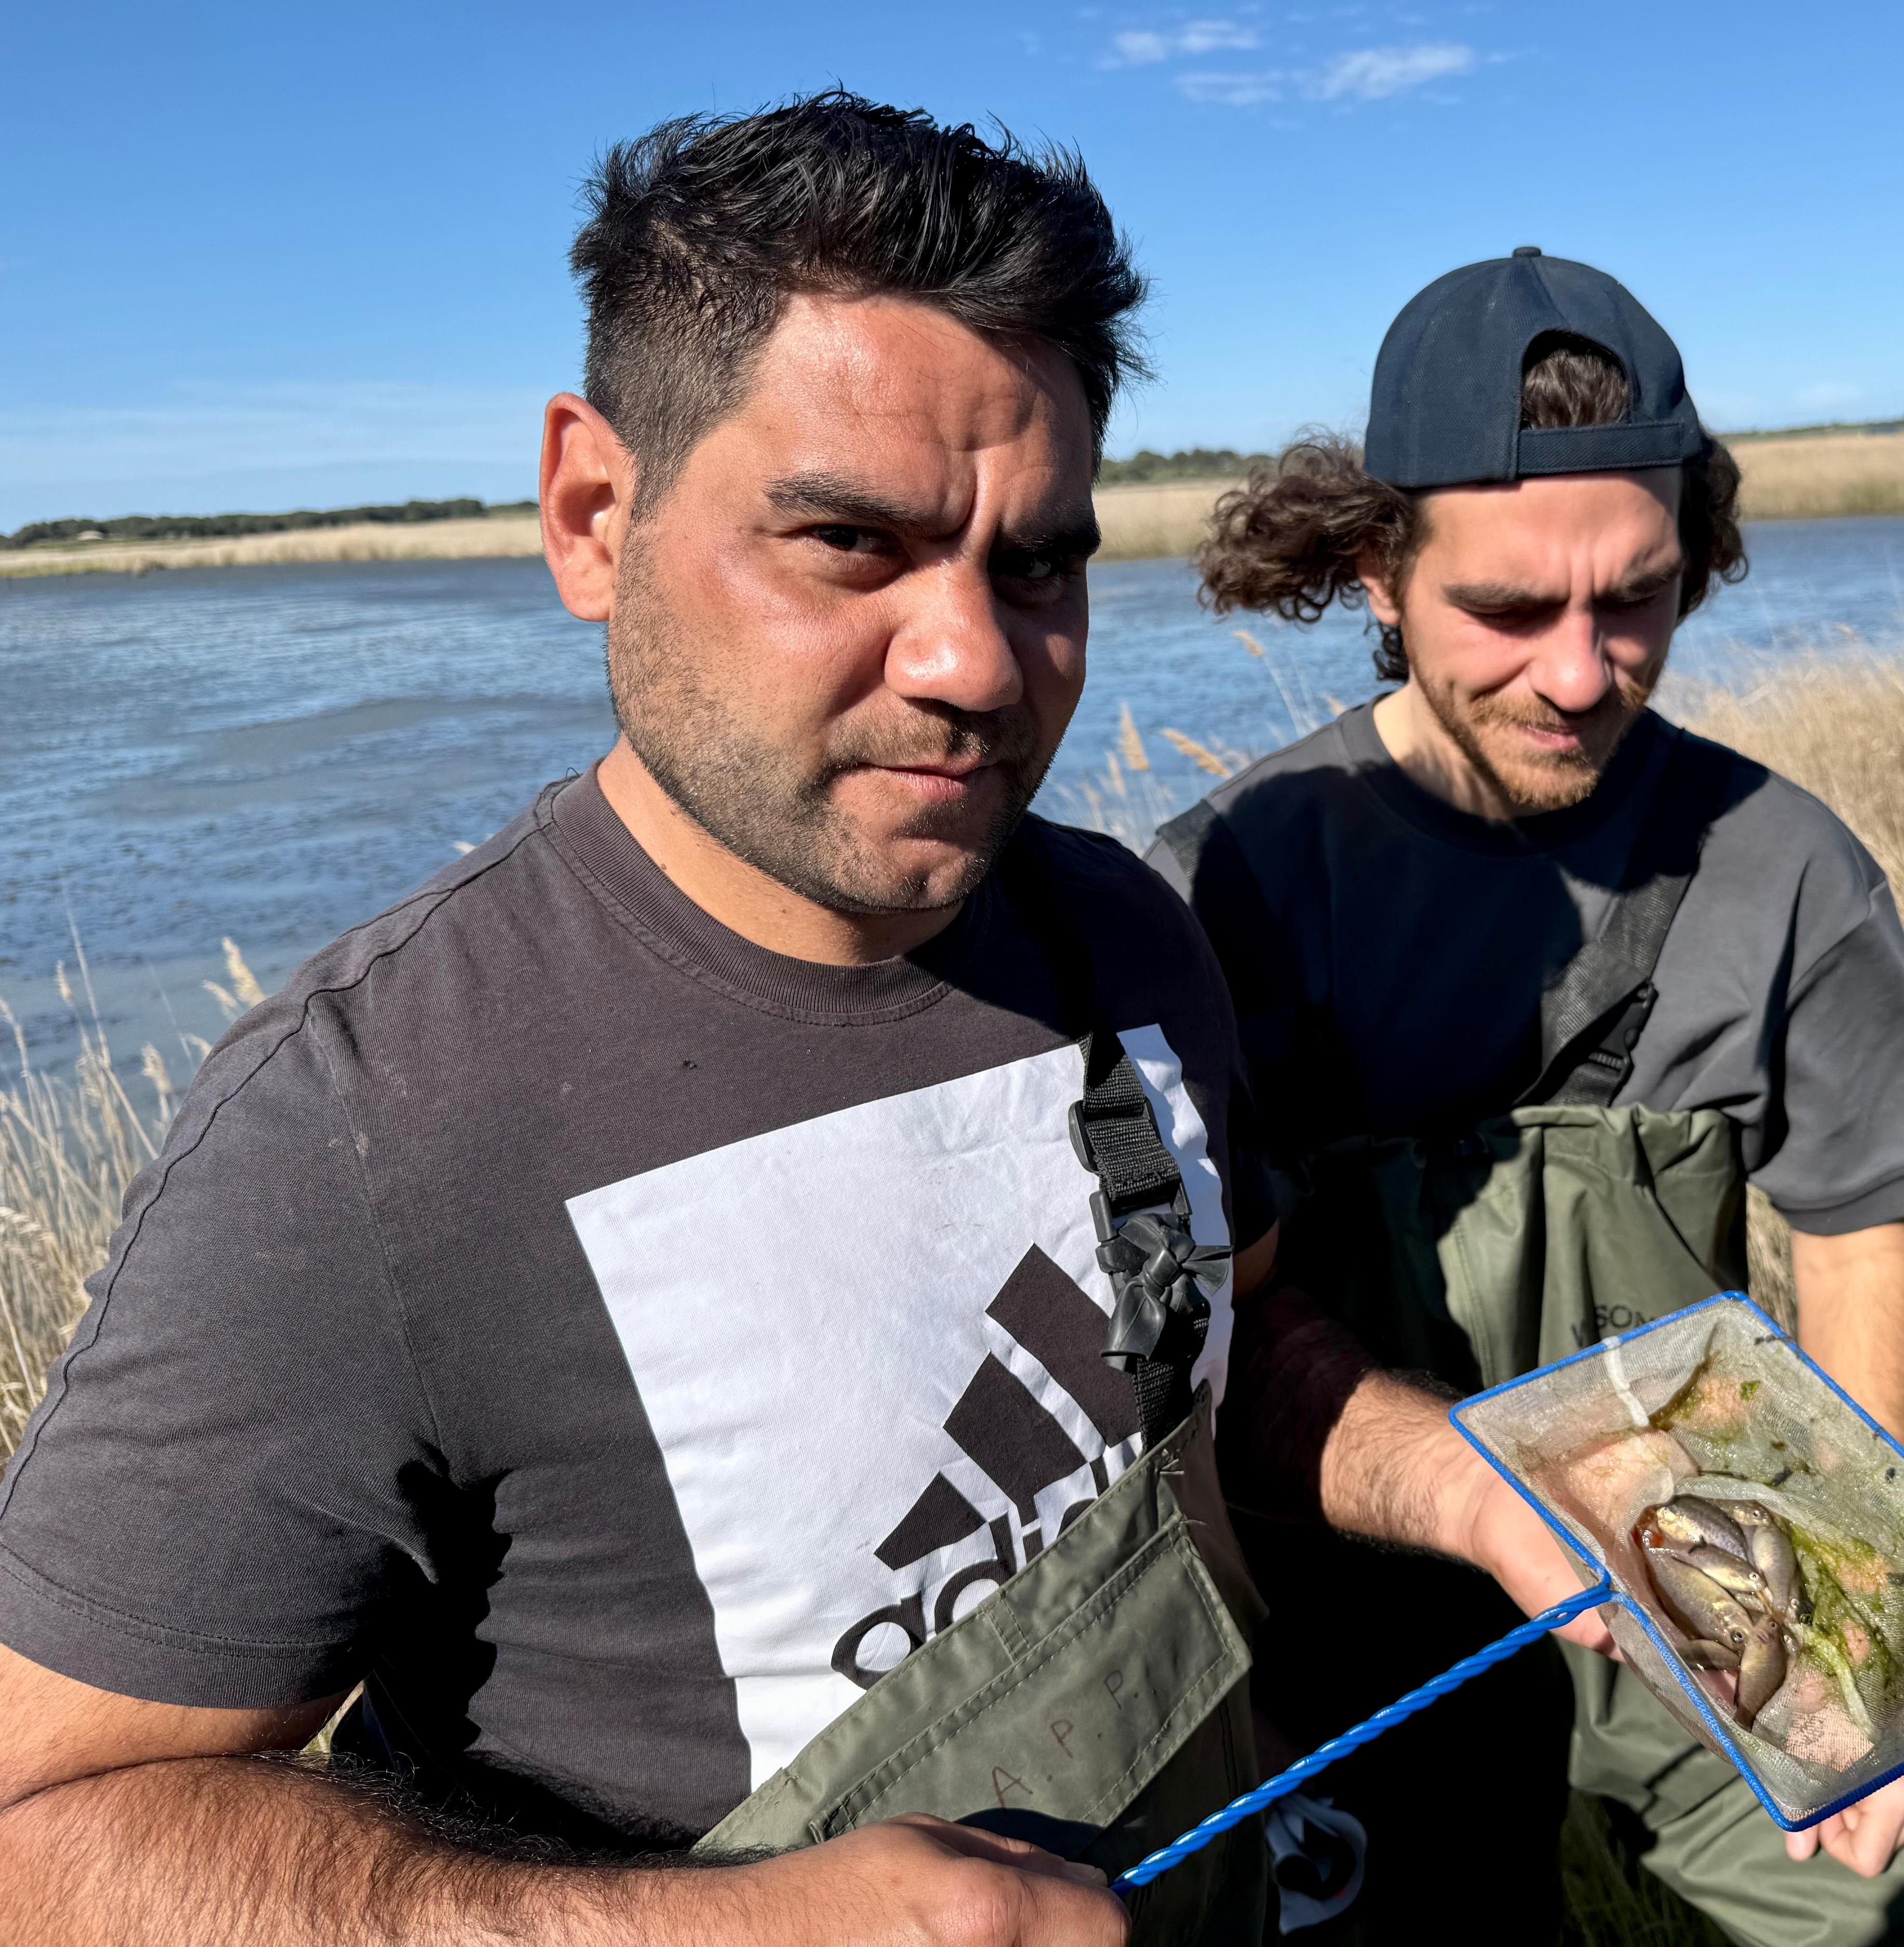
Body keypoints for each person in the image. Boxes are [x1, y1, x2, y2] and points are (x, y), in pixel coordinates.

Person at [0, 99, 1597, 1947]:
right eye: (851, 542)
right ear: (595, 513)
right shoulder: (365, 1128)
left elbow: (1226, 1352)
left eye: (1039, 562)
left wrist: (1470, 1480)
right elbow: (44, 1829)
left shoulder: (1126, 939)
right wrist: (736, 1932)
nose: (977, 663)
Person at [1155, 251, 1904, 1943]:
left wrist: (1864, 1637)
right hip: (1359, 1618)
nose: (1582, 673)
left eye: (1635, 599)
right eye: (1509, 611)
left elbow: (1856, 1241)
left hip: (1716, 1565)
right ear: (1376, 570)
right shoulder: (1228, 889)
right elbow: (1216, 1333)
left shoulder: (1786, 871)